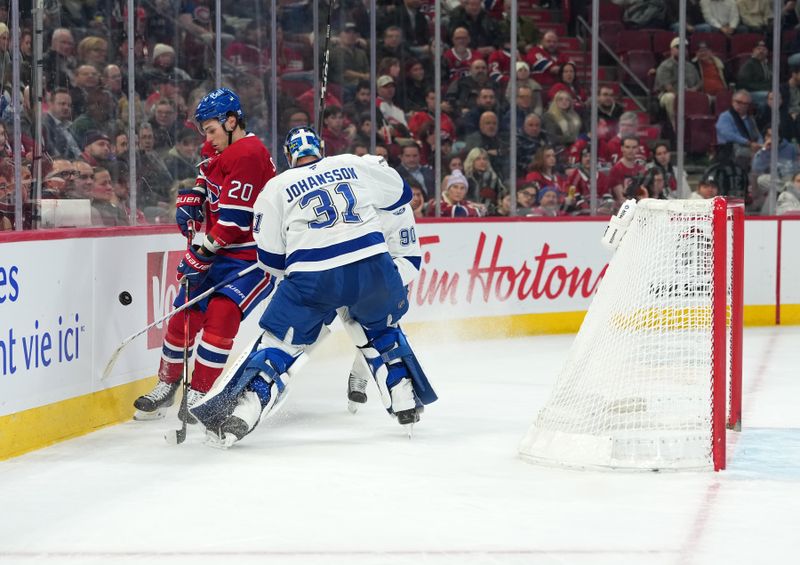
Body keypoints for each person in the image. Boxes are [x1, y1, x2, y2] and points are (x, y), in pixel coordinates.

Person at [190, 127, 435, 446]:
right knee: (381, 329)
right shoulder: (353, 162)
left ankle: (247, 410)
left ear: (289, 155)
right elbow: (400, 194)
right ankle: (402, 395)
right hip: (373, 265)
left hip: (315, 274)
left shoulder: (275, 187)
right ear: (319, 148)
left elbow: (271, 259)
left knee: (280, 344)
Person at [133, 88, 277, 422]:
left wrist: (201, 253)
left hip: (250, 258)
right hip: (219, 250)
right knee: (184, 315)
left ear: (231, 121)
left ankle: (201, 391)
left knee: (222, 315)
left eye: (211, 129)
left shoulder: (249, 153)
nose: (207, 138)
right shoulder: (219, 144)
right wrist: (196, 195)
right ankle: (167, 384)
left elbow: (232, 221)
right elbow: (207, 171)